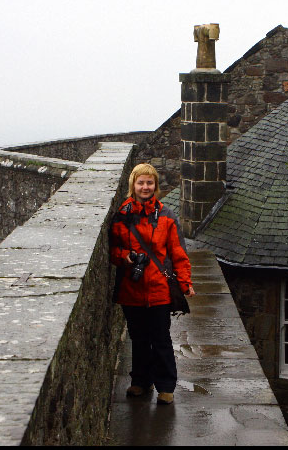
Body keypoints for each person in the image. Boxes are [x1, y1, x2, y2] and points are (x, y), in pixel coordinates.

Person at [109, 163, 195, 405]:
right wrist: (122, 256)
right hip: (132, 288)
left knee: (161, 338)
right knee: (138, 338)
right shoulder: (122, 215)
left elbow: (178, 252)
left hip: (159, 288)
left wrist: (185, 282)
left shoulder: (167, 216)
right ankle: (140, 381)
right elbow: (113, 248)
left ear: (155, 186)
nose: (145, 187)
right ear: (133, 186)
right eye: (141, 183)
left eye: (149, 183)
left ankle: (166, 386)